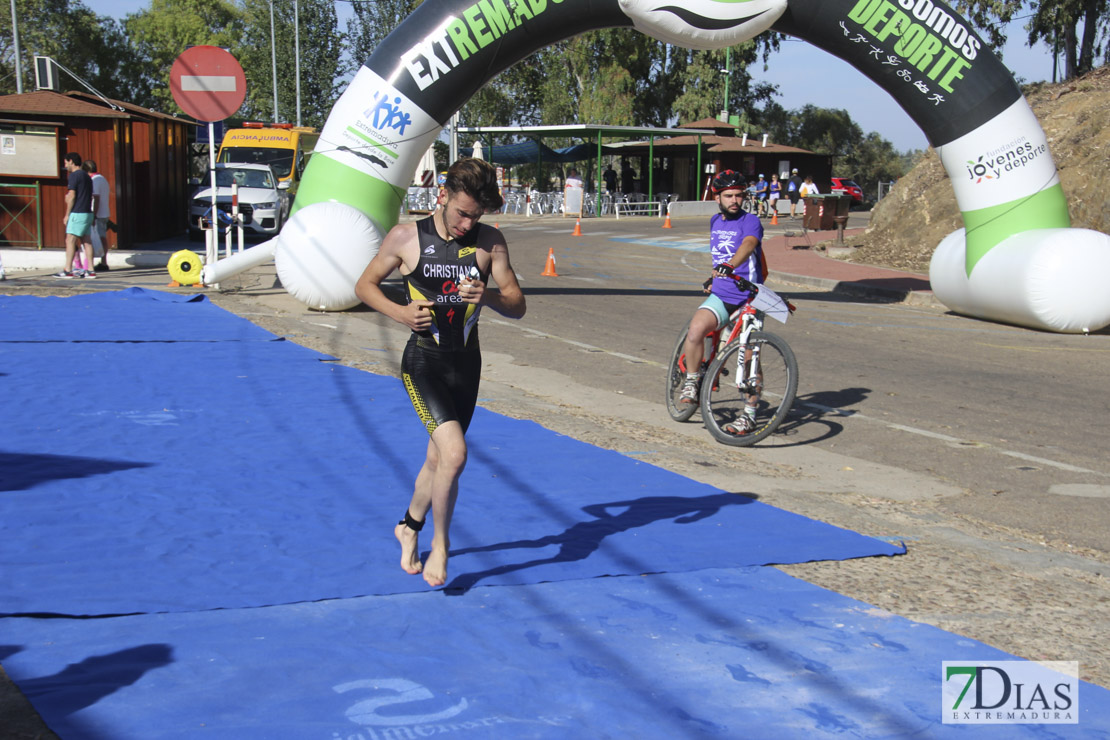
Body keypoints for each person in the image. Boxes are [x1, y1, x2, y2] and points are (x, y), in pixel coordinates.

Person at [354, 158, 526, 588]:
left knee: (437, 459)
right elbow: (364, 285)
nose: (468, 223)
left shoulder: (491, 244)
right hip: (423, 362)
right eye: (462, 212)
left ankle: (408, 526)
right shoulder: (406, 236)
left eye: (477, 215)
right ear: (442, 196)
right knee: (454, 454)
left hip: (467, 365)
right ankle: (442, 544)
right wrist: (400, 313)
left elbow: (517, 305)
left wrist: (485, 297)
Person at [678, 169, 767, 435]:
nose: (734, 200)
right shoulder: (715, 221)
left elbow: (749, 245)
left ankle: (749, 415)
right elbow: (720, 257)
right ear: (717, 197)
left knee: (748, 356)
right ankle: (692, 382)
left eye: (739, 195)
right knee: (695, 332)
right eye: (729, 195)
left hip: (748, 297)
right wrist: (714, 276)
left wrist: (730, 265)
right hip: (722, 294)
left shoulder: (750, 221)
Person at [54, 153, 96, 279]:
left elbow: (72, 195)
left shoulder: (74, 176)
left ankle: (68, 270)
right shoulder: (86, 176)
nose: (65, 165)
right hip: (87, 212)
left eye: (66, 162)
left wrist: (67, 214)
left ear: (71, 161)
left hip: (77, 212)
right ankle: (90, 270)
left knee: (70, 240)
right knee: (86, 241)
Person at [82, 159, 111, 271]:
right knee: (102, 237)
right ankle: (103, 261)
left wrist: (93, 215)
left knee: (98, 238)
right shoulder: (102, 179)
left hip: (98, 214)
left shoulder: (94, 181)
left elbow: (96, 199)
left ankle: (101, 263)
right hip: (104, 212)